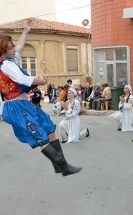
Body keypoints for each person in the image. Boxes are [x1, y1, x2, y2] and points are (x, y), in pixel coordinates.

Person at [0, 18, 81, 176]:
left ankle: (60, 166)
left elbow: (20, 48)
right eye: (10, 48)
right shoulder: (6, 65)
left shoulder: (9, 61)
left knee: (49, 127)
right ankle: (63, 166)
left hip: (24, 103)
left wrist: (26, 31)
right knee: (39, 135)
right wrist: (41, 81)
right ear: (2, 49)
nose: (14, 49)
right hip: (16, 107)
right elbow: (24, 80)